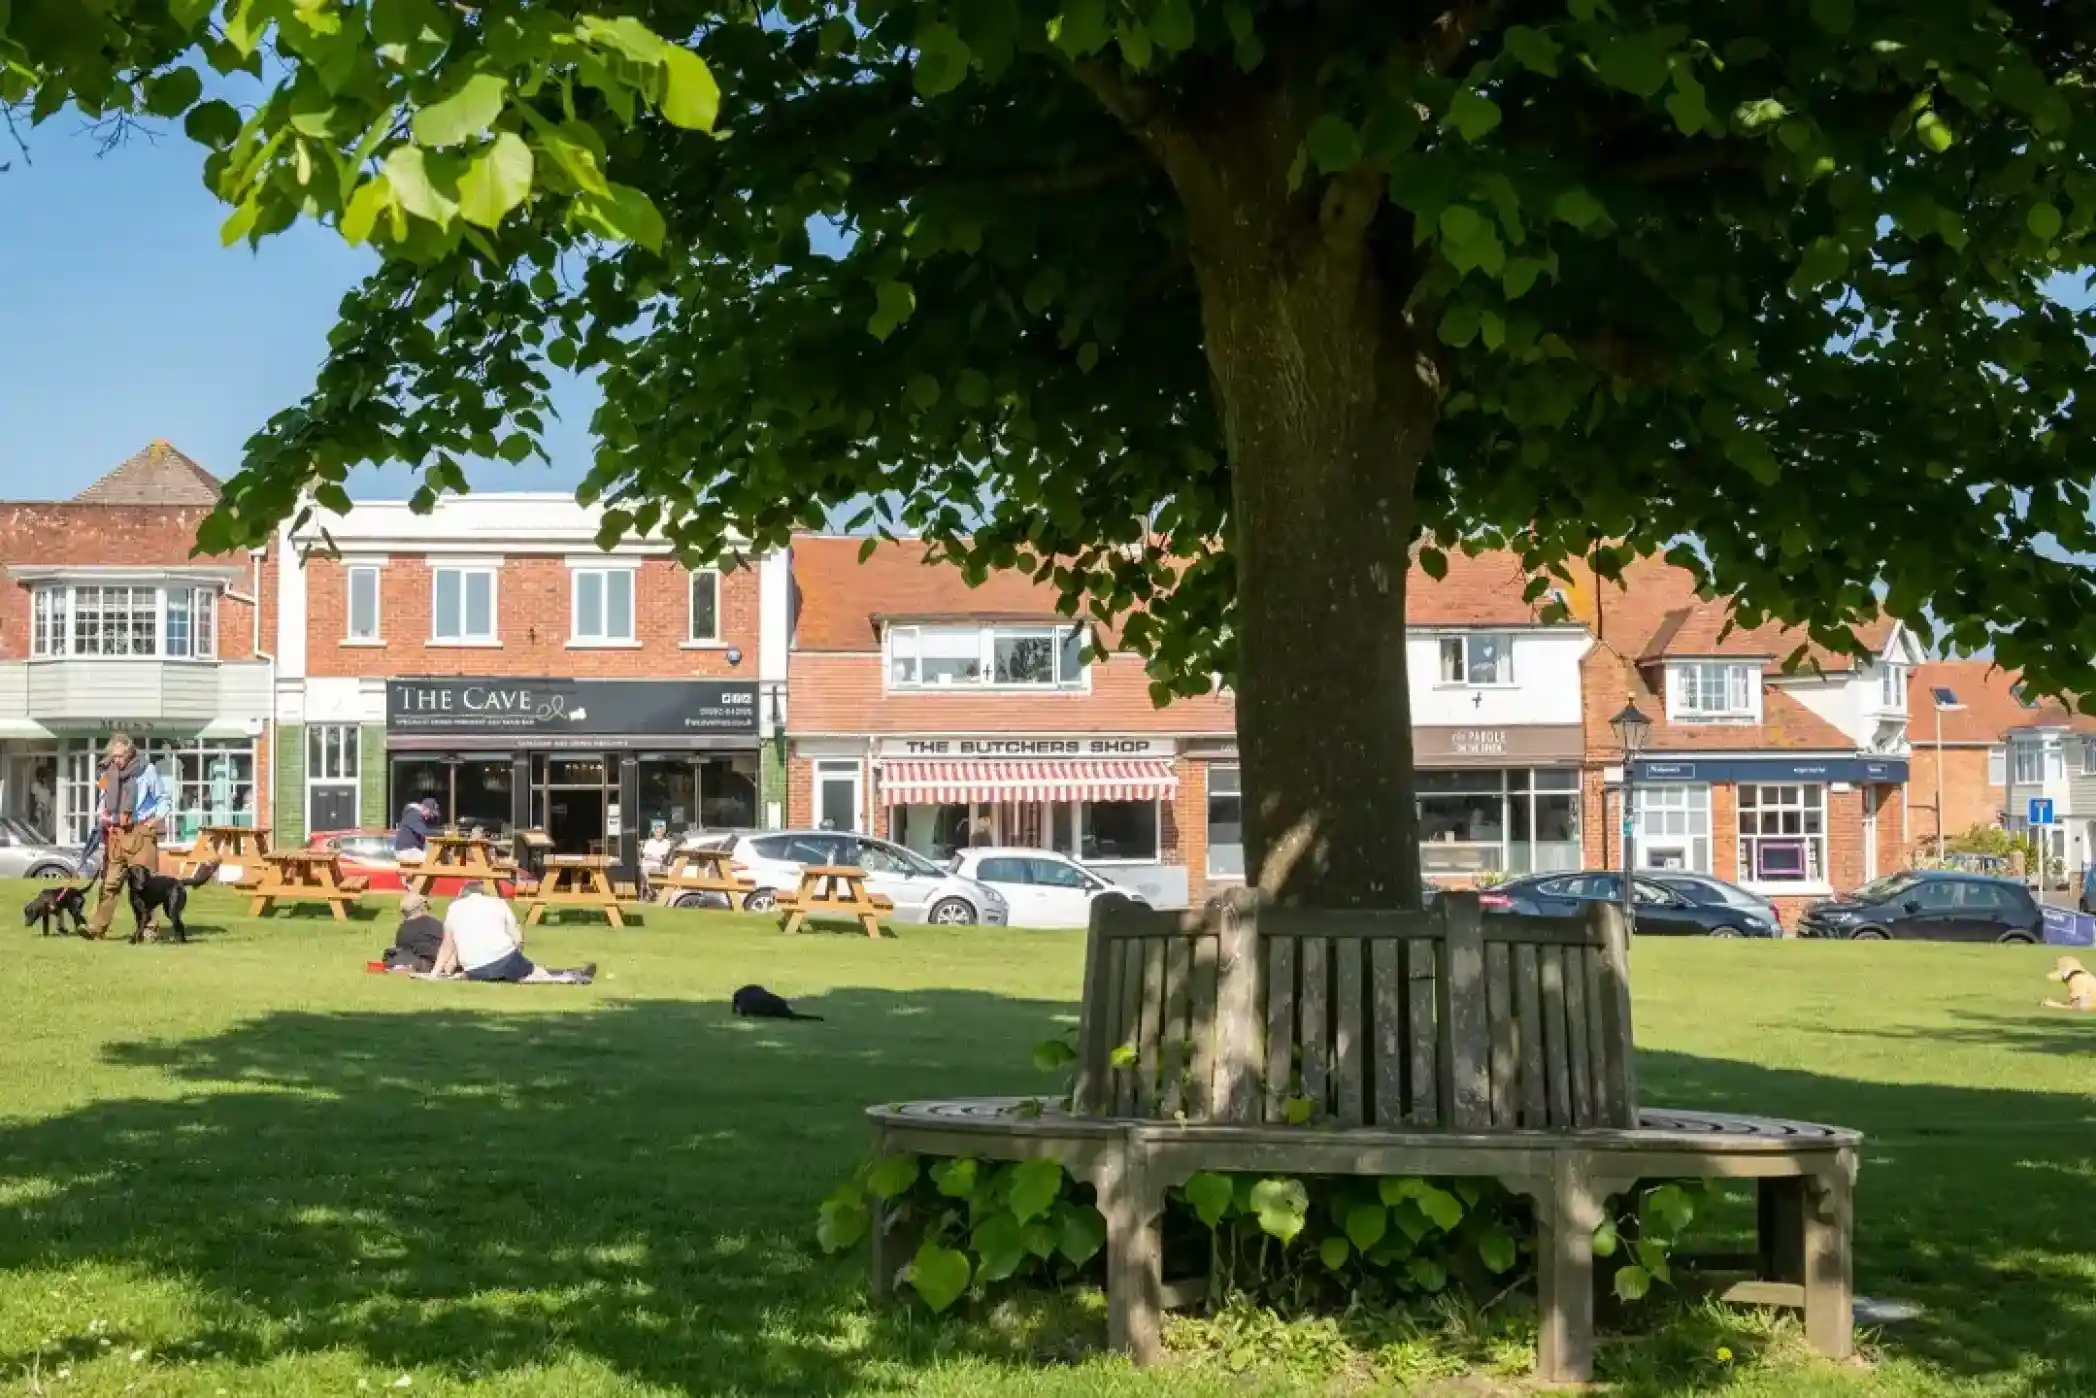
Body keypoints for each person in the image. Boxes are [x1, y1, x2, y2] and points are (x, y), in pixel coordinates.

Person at [84, 733, 168, 941]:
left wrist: (156, 820)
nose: (117, 760)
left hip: (140, 831)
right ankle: (96, 928)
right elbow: (102, 800)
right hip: (115, 833)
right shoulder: (108, 773)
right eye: (114, 756)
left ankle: (149, 929)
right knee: (110, 882)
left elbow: (163, 798)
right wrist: (102, 816)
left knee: (145, 884)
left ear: (130, 754)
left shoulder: (147, 770)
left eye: (120, 756)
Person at [430, 883, 595, 984]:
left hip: (474, 969)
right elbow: (517, 937)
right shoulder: (498, 902)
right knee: (531, 971)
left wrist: (435, 974)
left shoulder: (454, 908)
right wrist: (518, 953)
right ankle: (566, 977)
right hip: (503, 958)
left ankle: (563, 974)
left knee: (515, 970)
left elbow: (447, 946)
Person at [383, 892, 446, 972]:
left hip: (406, 958)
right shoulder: (432, 923)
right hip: (428, 961)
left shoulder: (403, 927)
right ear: (422, 907)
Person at [394, 797, 439, 862]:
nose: (432, 816)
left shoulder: (416, 815)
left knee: (434, 859)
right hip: (406, 851)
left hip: (411, 851)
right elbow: (424, 832)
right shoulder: (414, 815)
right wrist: (444, 833)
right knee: (431, 861)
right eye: (431, 813)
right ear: (425, 808)